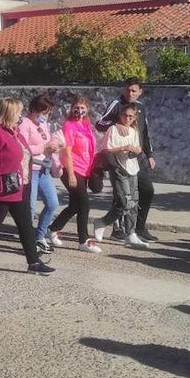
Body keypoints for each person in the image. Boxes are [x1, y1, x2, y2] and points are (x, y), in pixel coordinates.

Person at [0, 98, 55, 276]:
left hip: (19, 186)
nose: (20, 116)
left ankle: (33, 262)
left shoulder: (14, 132)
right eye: (18, 112)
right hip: (3, 190)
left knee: (26, 225)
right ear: (9, 113)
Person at [96, 77, 157, 241]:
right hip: (119, 158)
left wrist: (149, 154)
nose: (130, 93)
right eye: (128, 90)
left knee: (147, 190)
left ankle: (139, 228)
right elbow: (99, 124)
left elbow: (145, 133)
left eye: (134, 91)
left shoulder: (141, 107)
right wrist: (116, 124)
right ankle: (117, 229)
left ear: (140, 92)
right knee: (122, 195)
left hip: (137, 157)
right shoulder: (116, 104)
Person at [49, 95, 102, 254]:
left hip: (84, 170)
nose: (79, 110)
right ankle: (83, 241)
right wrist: (71, 174)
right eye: (76, 107)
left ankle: (52, 229)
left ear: (87, 109)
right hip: (72, 169)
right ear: (72, 109)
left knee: (74, 205)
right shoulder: (69, 126)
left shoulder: (86, 125)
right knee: (84, 204)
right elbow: (67, 152)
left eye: (82, 108)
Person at [95, 103, 148, 248]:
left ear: (135, 117)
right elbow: (106, 150)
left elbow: (134, 151)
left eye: (131, 116)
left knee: (134, 202)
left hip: (132, 168)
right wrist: (123, 147)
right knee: (125, 202)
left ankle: (131, 233)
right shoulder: (113, 129)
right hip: (118, 168)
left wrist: (136, 150)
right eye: (125, 115)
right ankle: (103, 222)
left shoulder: (134, 131)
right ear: (120, 115)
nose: (127, 118)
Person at [17, 94, 62, 254]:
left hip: (44, 168)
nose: (46, 116)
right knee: (30, 207)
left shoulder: (43, 124)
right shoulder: (24, 124)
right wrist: (43, 148)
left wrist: (54, 147)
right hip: (31, 169)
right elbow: (23, 148)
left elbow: (47, 141)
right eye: (44, 112)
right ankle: (29, 242)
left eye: (48, 113)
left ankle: (39, 235)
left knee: (52, 203)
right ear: (34, 110)